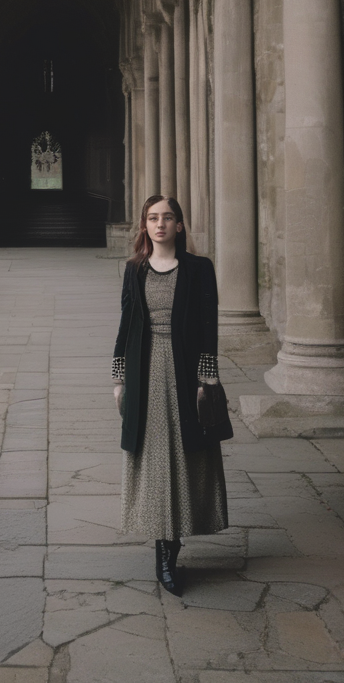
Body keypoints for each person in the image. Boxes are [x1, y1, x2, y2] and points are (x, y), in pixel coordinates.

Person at [112, 195, 231, 595]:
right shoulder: (134, 270)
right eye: (152, 218)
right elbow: (126, 323)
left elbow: (208, 324)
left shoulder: (199, 269)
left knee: (184, 454)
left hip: (184, 372)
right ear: (144, 226)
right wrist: (119, 379)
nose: (159, 224)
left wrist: (206, 377)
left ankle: (173, 540)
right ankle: (163, 549)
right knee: (152, 455)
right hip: (145, 371)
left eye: (167, 218)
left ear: (180, 225)